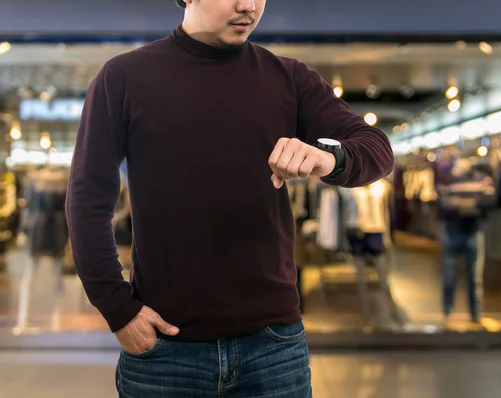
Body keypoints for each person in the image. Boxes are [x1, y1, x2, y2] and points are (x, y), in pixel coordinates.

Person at [65, 0, 394, 396]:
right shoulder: (124, 77)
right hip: (166, 351)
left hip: (274, 347)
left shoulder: (289, 78)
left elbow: (377, 149)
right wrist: (118, 309)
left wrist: (330, 157)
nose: (248, 6)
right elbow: (87, 199)